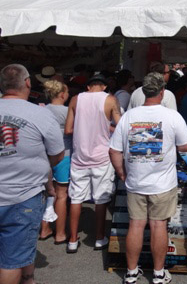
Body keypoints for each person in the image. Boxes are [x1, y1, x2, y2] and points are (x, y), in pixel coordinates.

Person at [110, 72, 187, 284]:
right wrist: (171, 145)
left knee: (135, 225)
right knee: (159, 226)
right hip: (163, 184)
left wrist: (121, 173)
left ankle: (131, 272)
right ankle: (158, 273)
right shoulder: (172, 116)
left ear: (143, 91)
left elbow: (114, 150)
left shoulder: (129, 116)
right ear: (162, 91)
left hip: (135, 182)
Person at [0, 64, 64, 284]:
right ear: (27, 83)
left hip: (20, 194)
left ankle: (29, 278)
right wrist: (40, 164)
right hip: (23, 196)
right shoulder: (40, 114)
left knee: (19, 253)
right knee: (12, 261)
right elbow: (57, 154)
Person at [65, 73, 121, 253]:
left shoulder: (75, 99)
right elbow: (120, 127)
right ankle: (99, 237)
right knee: (101, 199)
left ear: (88, 86)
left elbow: (68, 129)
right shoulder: (110, 99)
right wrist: (106, 127)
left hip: (80, 156)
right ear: (104, 86)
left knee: (76, 198)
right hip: (102, 156)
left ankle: (72, 240)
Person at [40, 80, 72, 244]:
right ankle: (60, 233)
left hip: (44, 155)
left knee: (47, 192)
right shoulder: (68, 111)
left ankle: (44, 229)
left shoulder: (41, 110)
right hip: (63, 154)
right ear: (62, 94)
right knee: (61, 194)